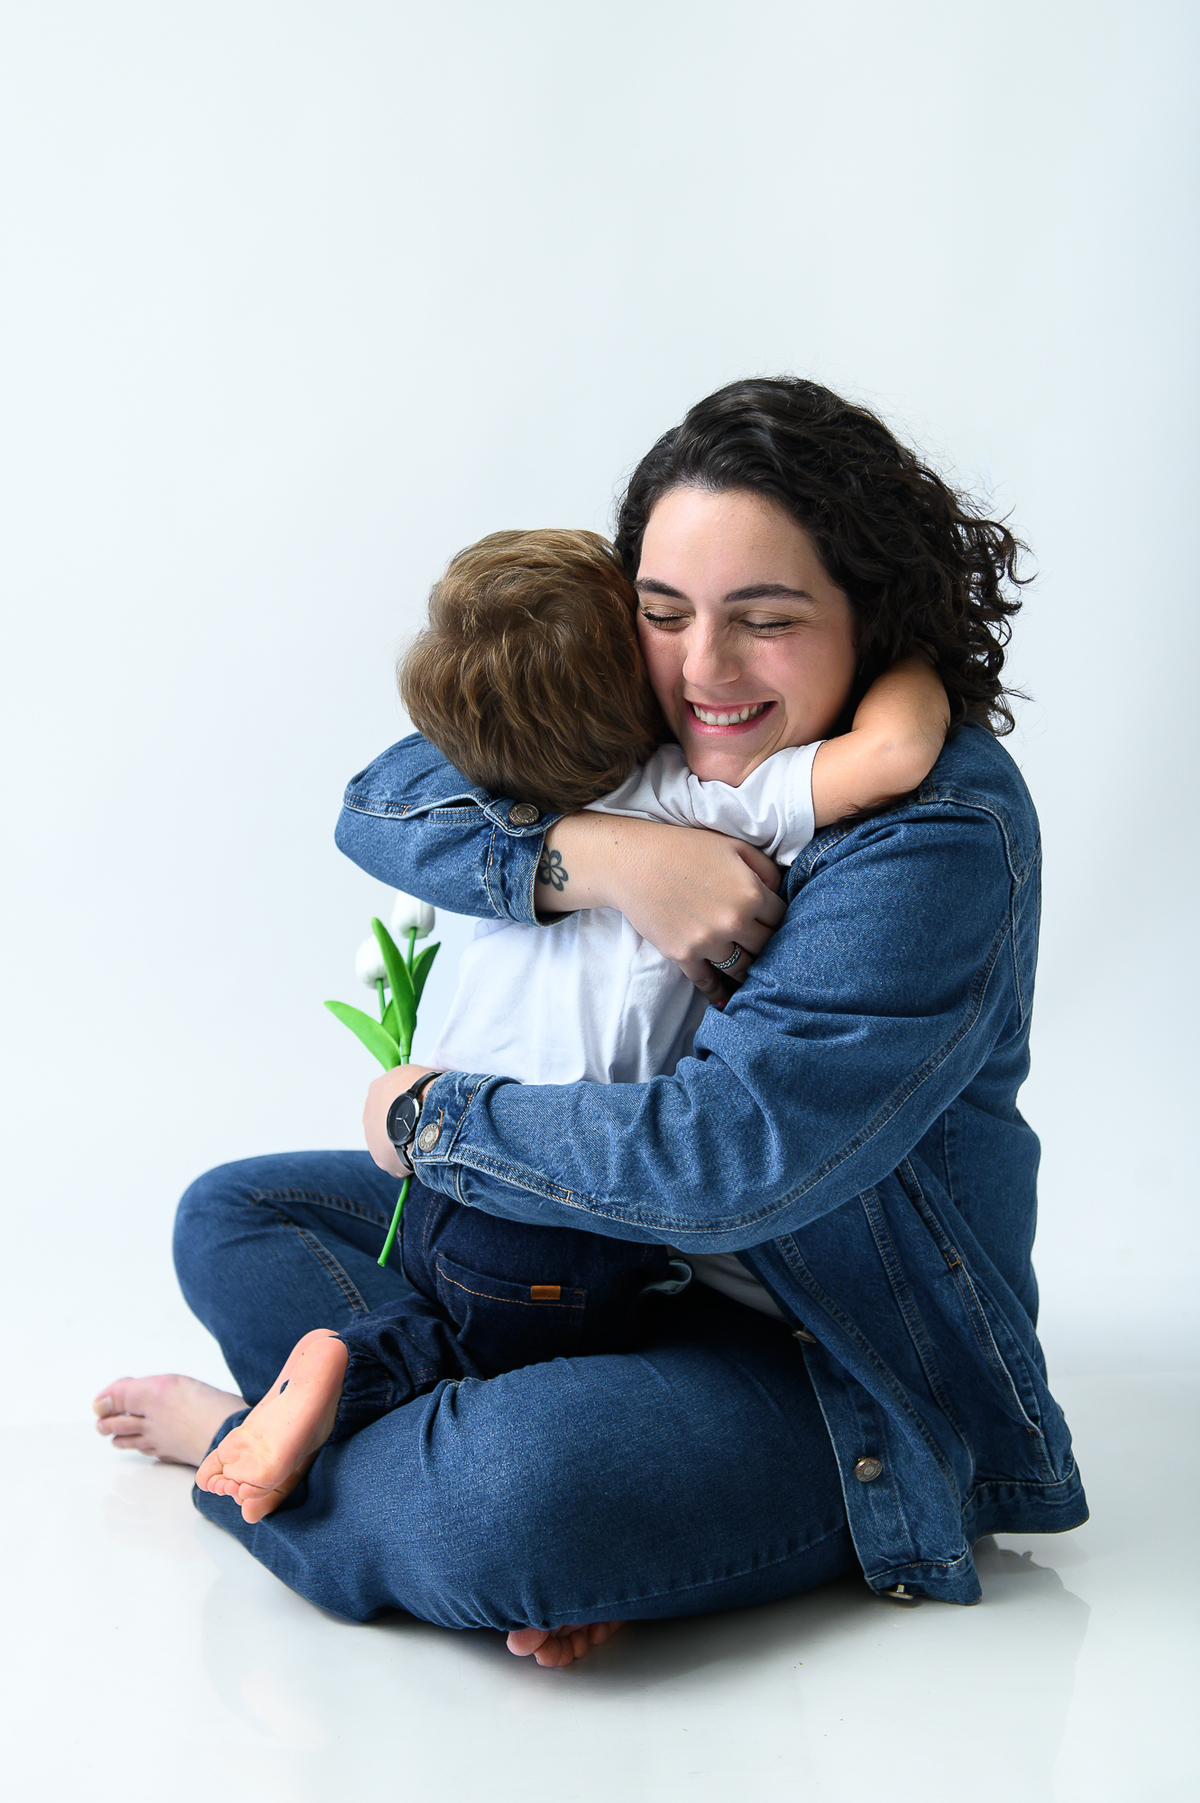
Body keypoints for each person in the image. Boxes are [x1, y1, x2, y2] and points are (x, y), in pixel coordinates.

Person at [94, 377, 1087, 1670]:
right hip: (591, 1265)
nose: (704, 668)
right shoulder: (630, 739)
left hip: (818, 1350)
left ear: (872, 616)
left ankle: (270, 1443)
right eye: (664, 613)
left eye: (767, 620)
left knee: (512, 1499)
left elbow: (727, 1158)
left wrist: (430, 1118)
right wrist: (604, 858)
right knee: (236, 1213)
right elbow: (383, 799)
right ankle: (514, 1474)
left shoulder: (935, 835)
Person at [190, 527, 949, 1523]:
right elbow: (895, 754)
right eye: (661, 618)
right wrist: (913, 647)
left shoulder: (500, 811)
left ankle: (283, 1420)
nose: (697, 654)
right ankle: (356, 1375)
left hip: (436, 1182)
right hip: (560, 1217)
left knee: (414, 1299)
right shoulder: (703, 802)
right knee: (491, 1365)